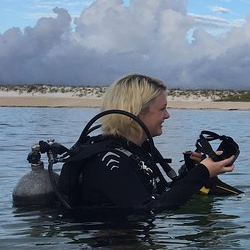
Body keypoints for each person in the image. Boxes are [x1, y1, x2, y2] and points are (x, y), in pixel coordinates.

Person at [77, 73, 236, 212]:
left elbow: (162, 194)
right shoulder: (110, 161)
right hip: (118, 244)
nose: (167, 116)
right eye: (162, 109)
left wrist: (193, 171)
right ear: (138, 112)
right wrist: (202, 172)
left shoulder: (138, 151)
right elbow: (147, 209)